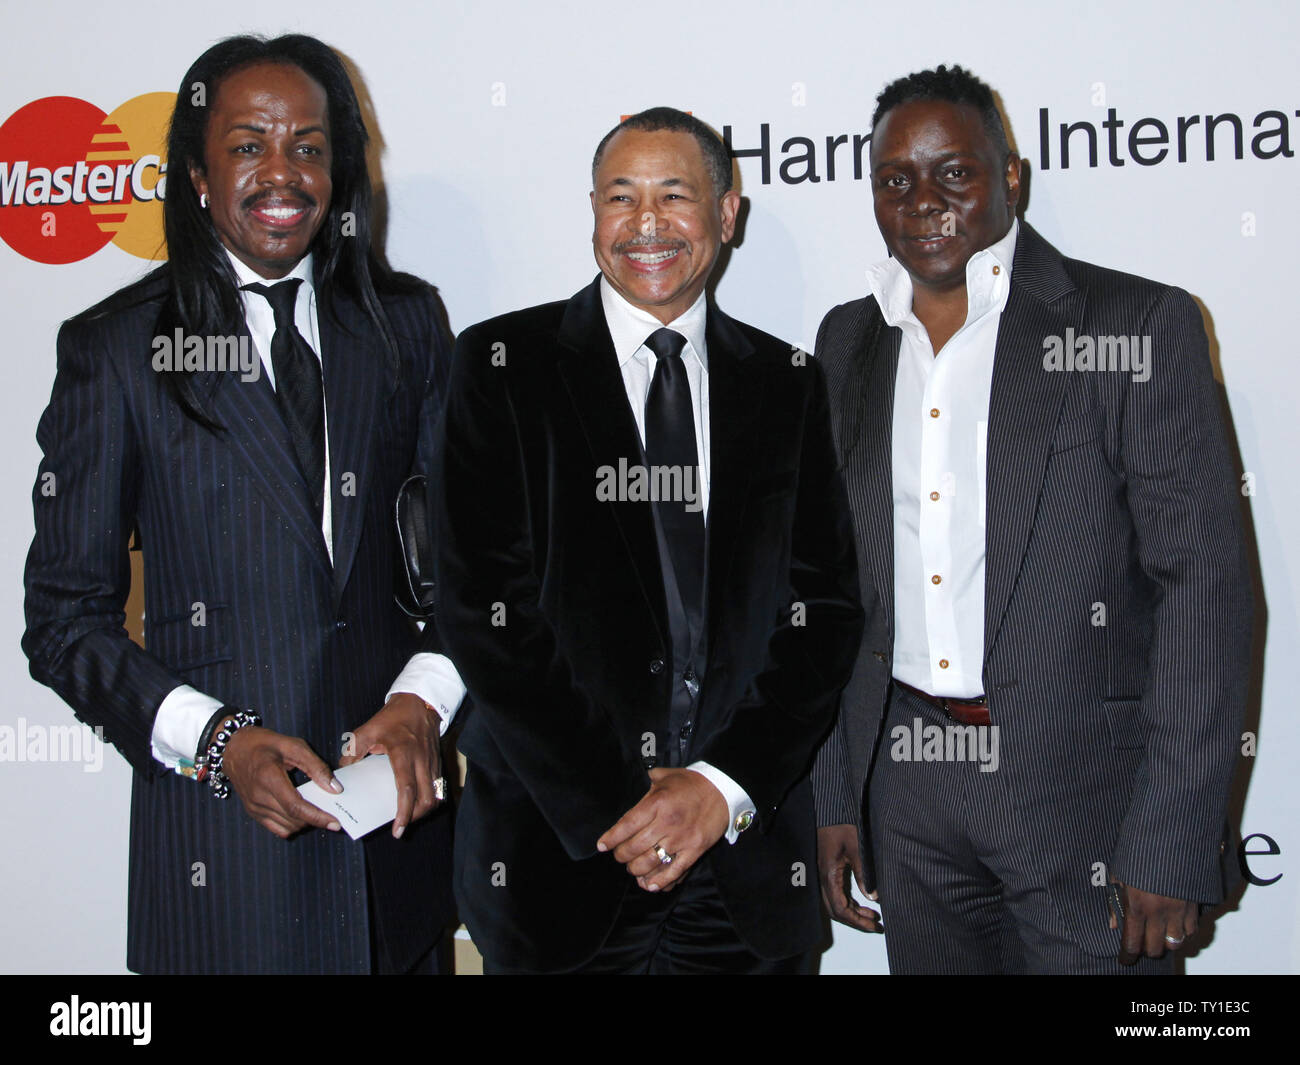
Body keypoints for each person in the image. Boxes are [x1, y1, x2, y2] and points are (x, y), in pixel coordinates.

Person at [22, 34, 463, 974]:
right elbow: (64, 623)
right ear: (195, 173)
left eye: (308, 145)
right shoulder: (118, 351)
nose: (282, 171)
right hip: (222, 875)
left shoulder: (407, 325)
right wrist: (219, 743)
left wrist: (425, 697)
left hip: (398, 865)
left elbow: (471, 564)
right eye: (248, 143)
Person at [812, 65, 1252, 974]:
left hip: (1090, 793)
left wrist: (1172, 834)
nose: (923, 200)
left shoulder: (1137, 322)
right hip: (908, 787)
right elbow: (829, 585)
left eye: (954, 172)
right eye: (894, 178)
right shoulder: (845, 341)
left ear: (1011, 177)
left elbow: (1204, 591)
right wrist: (833, 791)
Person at [433, 107, 863, 974]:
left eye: (675, 195)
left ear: (726, 214)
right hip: (562, 863)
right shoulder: (500, 365)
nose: (647, 224)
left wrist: (719, 789)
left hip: (741, 861)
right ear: (592, 213)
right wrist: (624, 808)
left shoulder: (788, 386)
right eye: (621, 198)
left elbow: (825, 611)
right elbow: (485, 611)